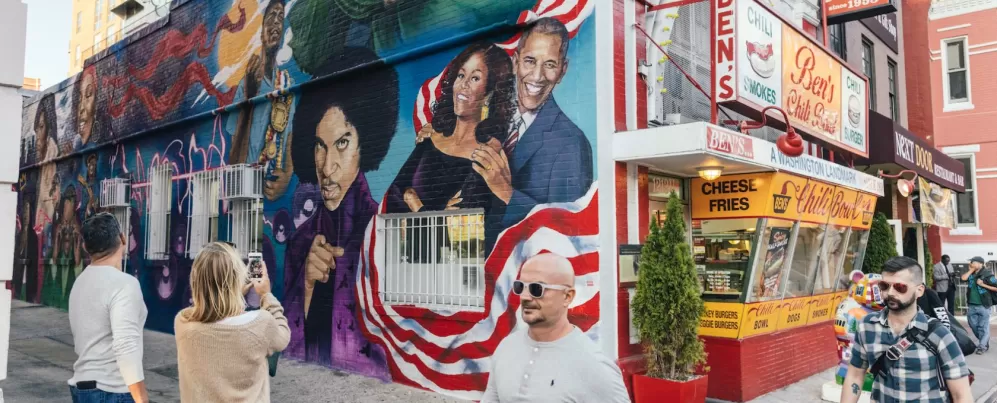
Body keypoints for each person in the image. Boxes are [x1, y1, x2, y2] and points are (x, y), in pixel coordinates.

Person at [417, 18, 594, 248]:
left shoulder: (571, 144)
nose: (537, 76)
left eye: (550, 64)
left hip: (516, 276)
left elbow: (567, 234)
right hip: (462, 259)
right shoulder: (488, 114)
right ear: (516, 61)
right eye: (530, 61)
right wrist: (441, 132)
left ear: (562, 70)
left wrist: (506, 192)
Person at [283, 46, 395, 376]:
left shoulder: (380, 235)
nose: (327, 166)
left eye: (342, 143)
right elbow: (286, 342)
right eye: (320, 145)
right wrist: (306, 283)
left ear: (365, 145)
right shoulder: (299, 244)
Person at [392, 41, 516, 255]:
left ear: (489, 94)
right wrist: (435, 215)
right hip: (406, 270)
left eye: (475, 78)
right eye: (461, 75)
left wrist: (416, 205)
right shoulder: (430, 138)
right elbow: (395, 197)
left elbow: (464, 244)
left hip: (453, 279)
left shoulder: (486, 158)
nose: (463, 85)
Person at [481, 253, 630, 402]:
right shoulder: (506, 348)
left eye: (536, 288)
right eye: (520, 287)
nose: (525, 297)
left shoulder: (595, 367)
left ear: (567, 296)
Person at [841, 256, 972, 403]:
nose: (890, 292)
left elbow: (961, 395)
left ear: (919, 290)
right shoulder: (867, 326)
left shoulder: (939, 334)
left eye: (900, 287)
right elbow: (855, 375)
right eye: (884, 285)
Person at [174, 242, 290, 402]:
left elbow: (211, 313)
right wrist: (266, 295)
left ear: (195, 281)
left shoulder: (182, 322)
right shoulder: (261, 323)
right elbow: (282, 337)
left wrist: (234, 294)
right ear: (236, 279)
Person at [67, 213, 149, 403]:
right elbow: (125, 344)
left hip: (82, 388)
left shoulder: (80, 282)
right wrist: (141, 396)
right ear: (122, 238)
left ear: (86, 247)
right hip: (112, 390)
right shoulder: (125, 284)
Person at [961, 256, 996, 354]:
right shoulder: (971, 274)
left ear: (980, 264)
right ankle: (984, 341)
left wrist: (983, 285)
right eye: (971, 262)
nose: (971, 264)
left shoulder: (987, 274)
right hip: (972, 305)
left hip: (984, 305)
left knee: (983, 326)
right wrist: (971, 270)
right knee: (973, 325)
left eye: (974, 262)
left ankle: (982, 346)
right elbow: (963, 278)